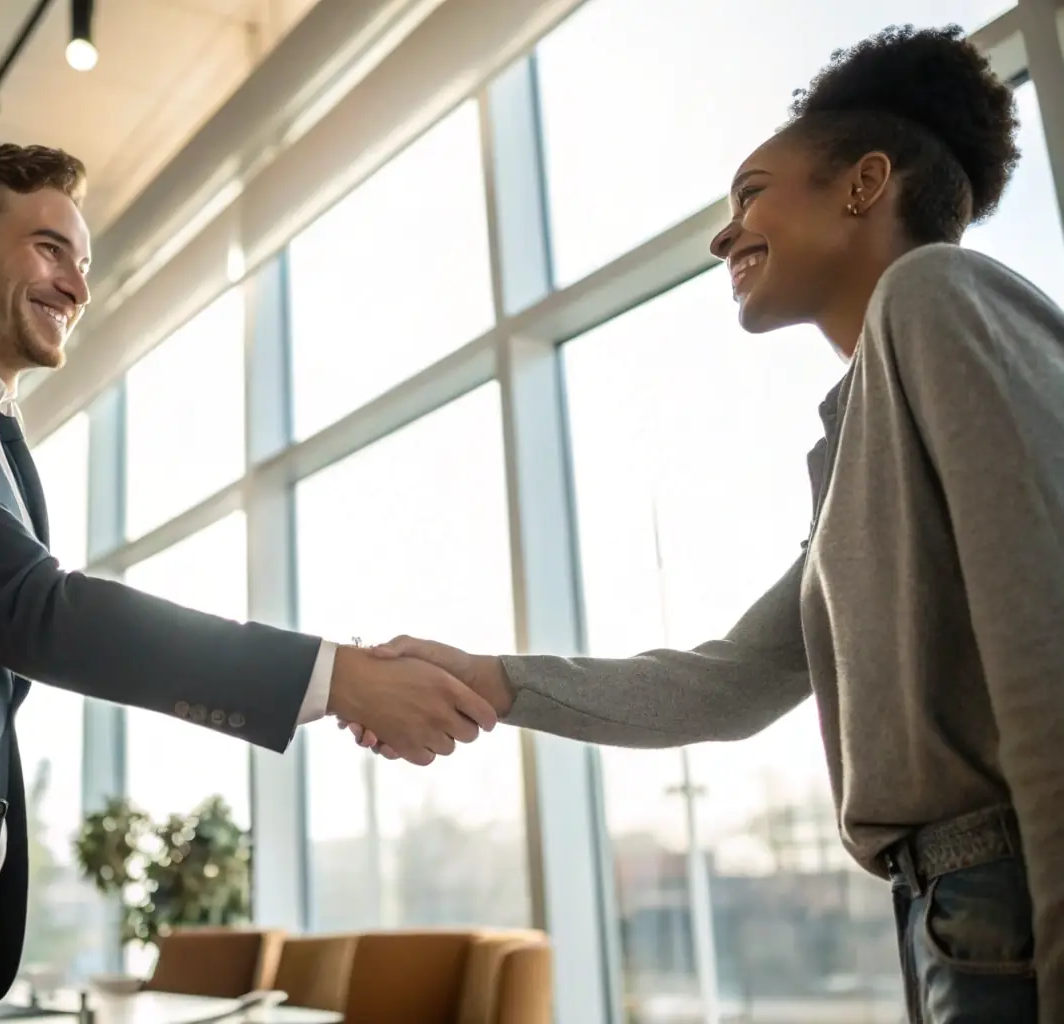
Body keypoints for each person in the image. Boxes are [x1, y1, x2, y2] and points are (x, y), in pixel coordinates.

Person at [345, 24, 1059, 1024]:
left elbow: (1046, 631)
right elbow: (732, 682)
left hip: (1011, 893)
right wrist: (493, 679)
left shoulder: (934, 291)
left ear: (863, 184)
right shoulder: (861, 435)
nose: (724, 237)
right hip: (952, 911)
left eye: (750, 194)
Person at [0, 144, 497, 1023]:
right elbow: (36, 611)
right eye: (50, 248)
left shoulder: (0, 447)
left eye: (83, 263)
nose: (77, 286)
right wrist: (333, 677)